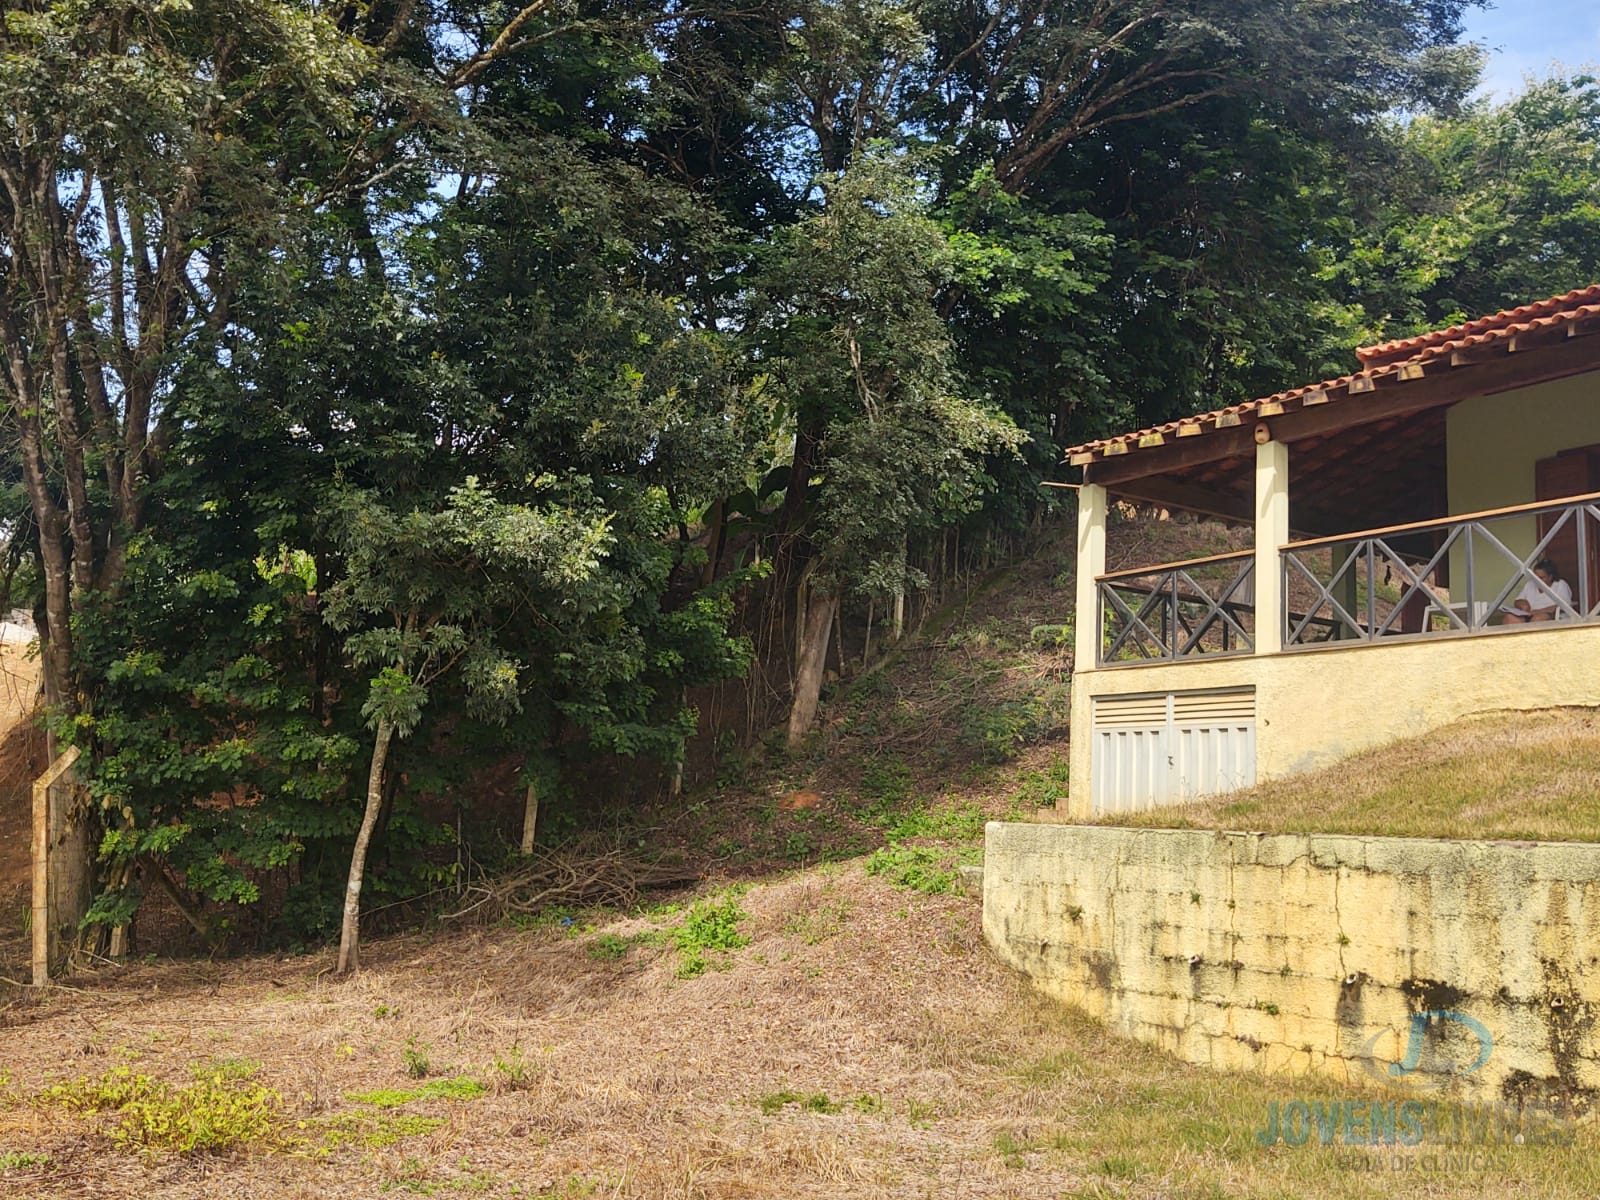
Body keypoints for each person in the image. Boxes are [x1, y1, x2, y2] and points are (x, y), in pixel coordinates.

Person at [1501, 559, 1572, 623]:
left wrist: (1539, 611)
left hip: (1552, 616)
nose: (1537, 581)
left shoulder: (1560, 585)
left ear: (1550, 577)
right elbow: (1517, 601)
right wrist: (1522, 604)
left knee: (1537, 619)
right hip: (1529, 615)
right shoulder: (1530, 584)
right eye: (1535, 577)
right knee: (1509, 618)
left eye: (1541, 578)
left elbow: (1564, 607)